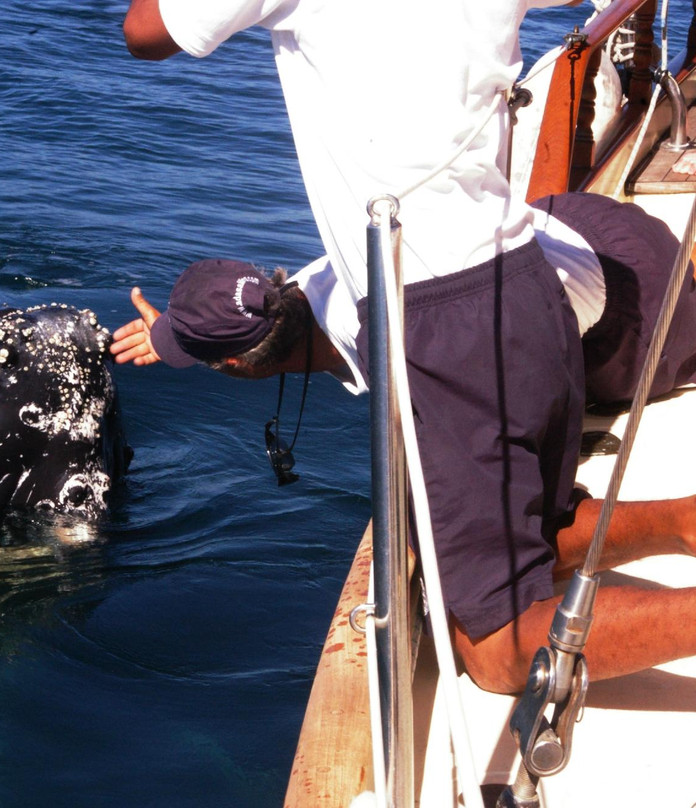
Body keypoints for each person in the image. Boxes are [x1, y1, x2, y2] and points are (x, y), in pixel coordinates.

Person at [117, 0, 696, 695]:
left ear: (239, 368)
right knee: (539, 527)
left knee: (497, 648)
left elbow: (144, 30)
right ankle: (687, 521)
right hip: (521, 275)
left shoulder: (356, 323)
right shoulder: (314, 294)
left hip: (439, 309)